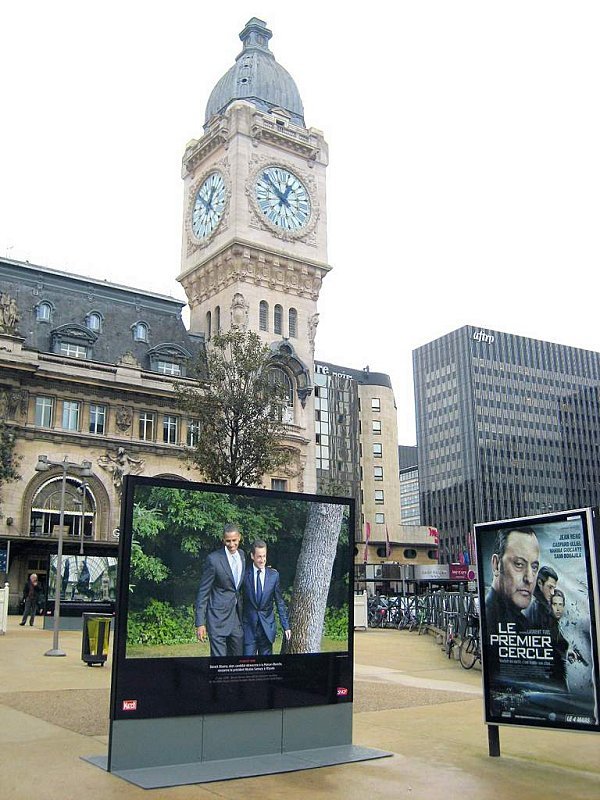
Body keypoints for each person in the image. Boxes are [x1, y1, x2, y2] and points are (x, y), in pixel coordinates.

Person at [195, 523, 245, 657]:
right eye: (228, 541)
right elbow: (203, 592)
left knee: (239, 658)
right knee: (219, 663)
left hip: (236, 617)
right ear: (223, 540)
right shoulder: (213, 559)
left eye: (234, 540)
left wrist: (266, 571)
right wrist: (200, 623)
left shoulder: (242, 555)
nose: (231, 544)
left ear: (239, 538)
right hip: (217, 618)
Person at [485, 527, 540, 633]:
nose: (530, 578)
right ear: (496, 565)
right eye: (519, 564)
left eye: (534, 567)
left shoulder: (521, 622)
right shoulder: (490, 620)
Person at [242, 539, 291, 656]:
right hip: (248, 628)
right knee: (247, 665)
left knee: (267, 666)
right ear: (252, 556)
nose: (262, 560)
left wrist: (286, 626)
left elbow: (279, 602)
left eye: (264, 556)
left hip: (267, 629)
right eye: (259, 557)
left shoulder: (274, 575)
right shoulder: (244, 574)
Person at [525, 565, 558, 630]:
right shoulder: (534, 606)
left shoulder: (543, 604)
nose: (552, 593)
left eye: (553, 588)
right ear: (540, 583)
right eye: (550, 587)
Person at [548, 588, 570, 690]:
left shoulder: (557, 626)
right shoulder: (549, 624)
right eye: (554, 604)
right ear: (550, 605)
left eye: (560, 605)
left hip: (560, 677)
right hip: (552, 679)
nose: (558, 608)